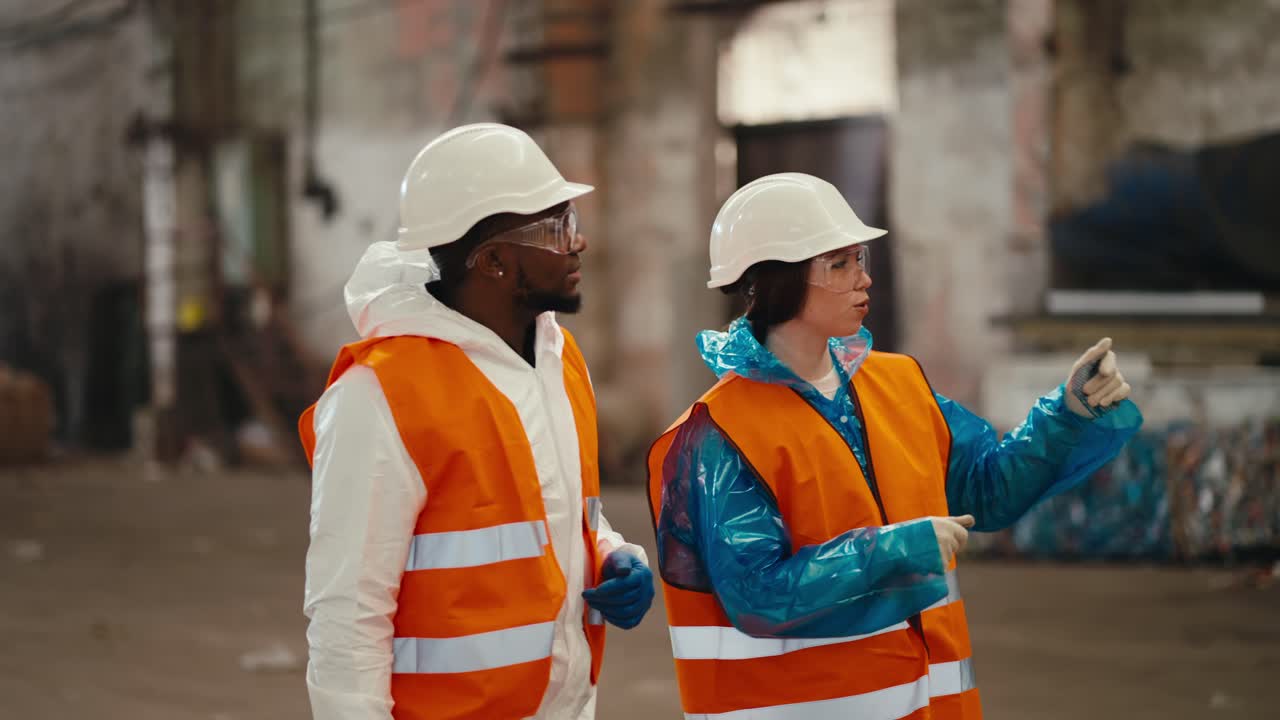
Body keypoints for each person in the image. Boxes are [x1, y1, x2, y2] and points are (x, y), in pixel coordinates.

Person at [647, 172, 1142, 719]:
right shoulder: (716, 433)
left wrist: (1067, 416)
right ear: (779, 280)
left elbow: (986, 488)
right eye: (840, 264)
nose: (864, 279)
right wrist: (894, 551)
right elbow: (758, 593)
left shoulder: (898, 384)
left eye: (859, 258)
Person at [299, 123, 654, 720]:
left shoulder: (557, 359)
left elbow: (556, 506)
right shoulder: (380, 394)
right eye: (556, 227)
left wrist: (613, 551)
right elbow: (346, 614)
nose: (578, 243)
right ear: (491, 261)